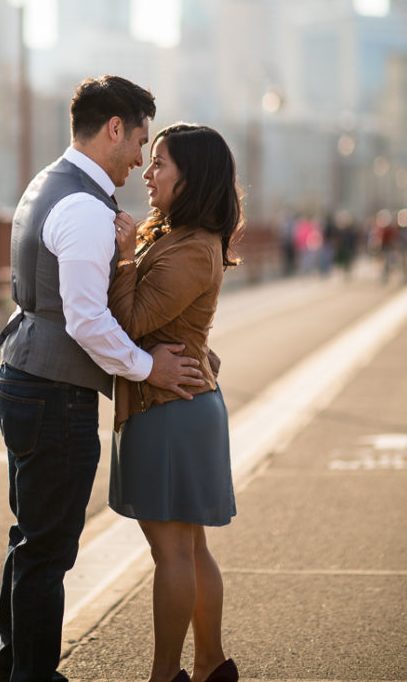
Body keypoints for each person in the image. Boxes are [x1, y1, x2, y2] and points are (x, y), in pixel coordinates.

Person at [0, 77, 205, 682]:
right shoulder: (83, 206)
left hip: (25, 375)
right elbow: (88, 320)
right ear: (114, 129)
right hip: (54, 394)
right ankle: (33, 675)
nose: (140, 159)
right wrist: (148, 365)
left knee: (31, 539)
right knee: (49, 551)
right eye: (139, 141)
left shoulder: (46, 183)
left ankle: (12, 669)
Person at [109, 123, 242, 682]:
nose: (148, 171)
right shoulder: (184, 239)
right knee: (190, 549)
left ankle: (166, 676)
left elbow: (128, 323)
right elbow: (177, 321)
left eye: (160, 163)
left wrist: (121, 258)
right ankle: (210, 664)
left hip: (168, 410)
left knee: (173, 555)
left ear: (192, 180)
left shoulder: (190, 250)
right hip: (182, 405)